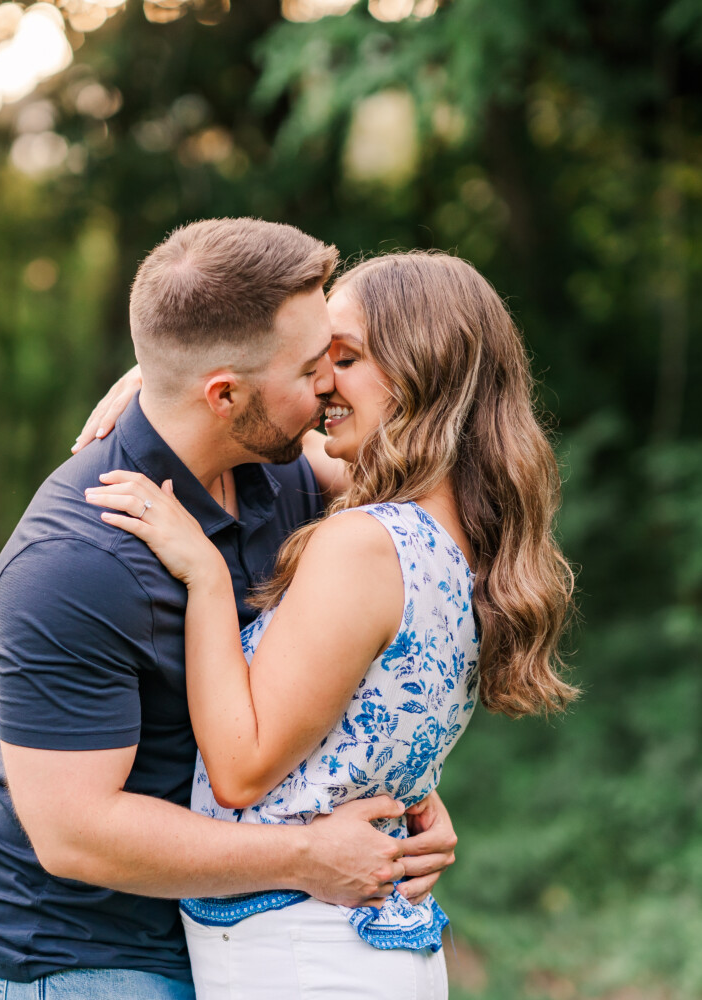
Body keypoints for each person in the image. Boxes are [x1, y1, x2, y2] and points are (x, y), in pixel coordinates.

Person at [0, 220, 461, 1000]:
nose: (329, 386)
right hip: (79, 959)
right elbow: (73, 835)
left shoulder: (279, 473)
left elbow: (439, 483)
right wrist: (308, 856)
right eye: (314, 367)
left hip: (226, 936)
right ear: (225, 395)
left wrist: (406, 792)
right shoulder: (72, 564)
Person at [84, 250, 579, 999]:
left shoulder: (364, 545)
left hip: (305, 957)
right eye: (314, 360)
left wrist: (206, 577)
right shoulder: (464, 536)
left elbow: (243, 769)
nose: (320, 382)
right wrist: (173, 386)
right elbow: (303, 437)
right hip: (355, 950)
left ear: (418, 376)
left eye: (342, 358)